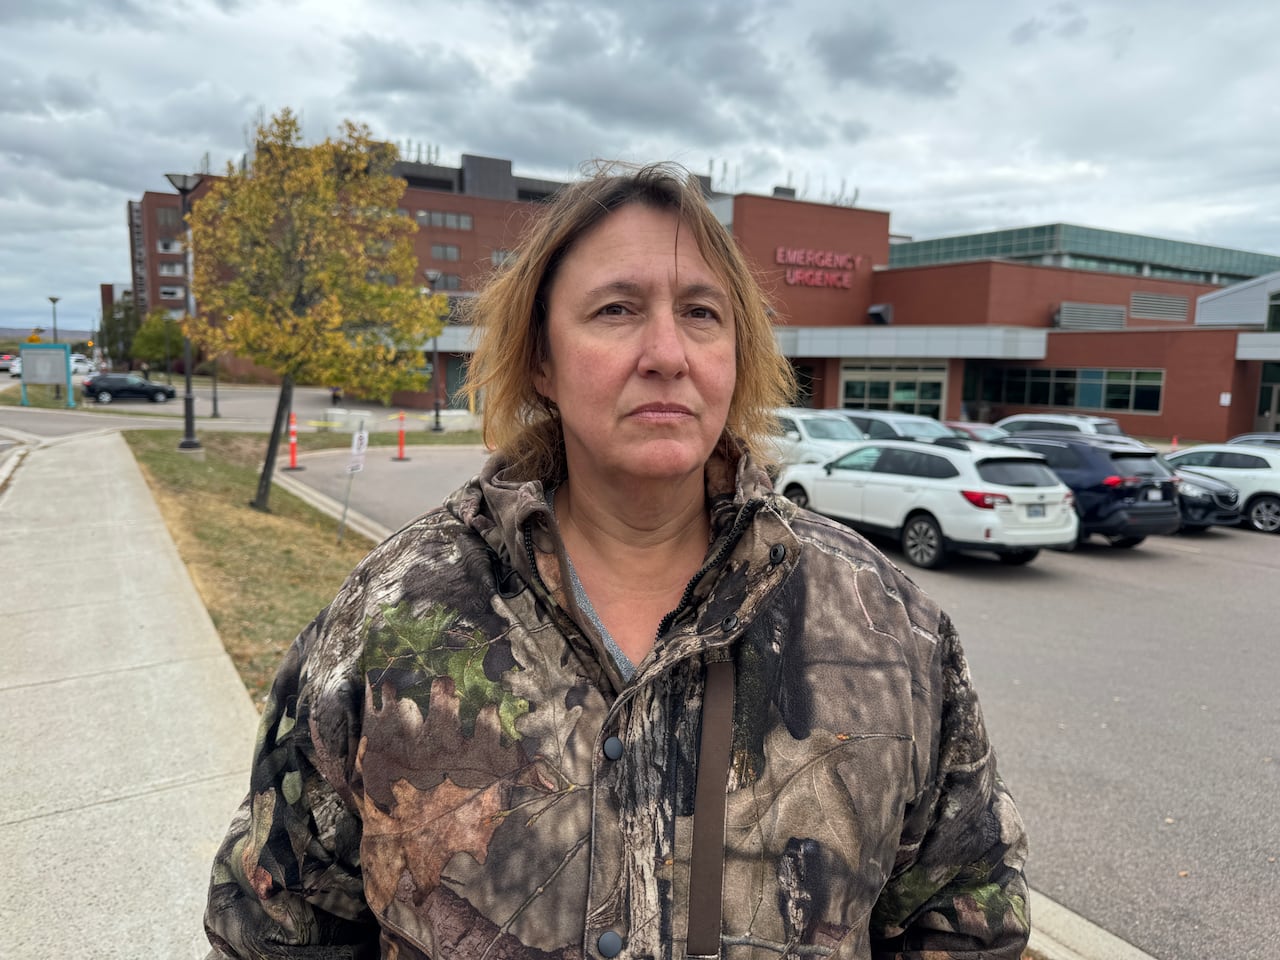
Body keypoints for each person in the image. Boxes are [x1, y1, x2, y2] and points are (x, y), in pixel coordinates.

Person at [204, 164, 1030, 960]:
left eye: (703, 314)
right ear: (540, 360)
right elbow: (277, 928)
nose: (666, 351)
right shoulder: (388, 621)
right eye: (616, 310)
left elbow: (965, 922)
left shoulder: (890, 627)